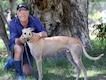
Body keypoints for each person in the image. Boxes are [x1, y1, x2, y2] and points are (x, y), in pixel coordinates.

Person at [4, 3, 47, 80]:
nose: (22, 13)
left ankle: (13, 62)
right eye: (20, 11)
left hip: (30, 48)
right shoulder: (13, 23)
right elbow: (14, 40)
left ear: (28, 12)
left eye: (25, 11)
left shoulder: (34, 20)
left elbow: (45, 33)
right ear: (17, 13)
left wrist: (38, 35)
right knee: (19, 48)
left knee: (28, 72)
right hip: (17, 45)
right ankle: (19, 75)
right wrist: (20, 40)